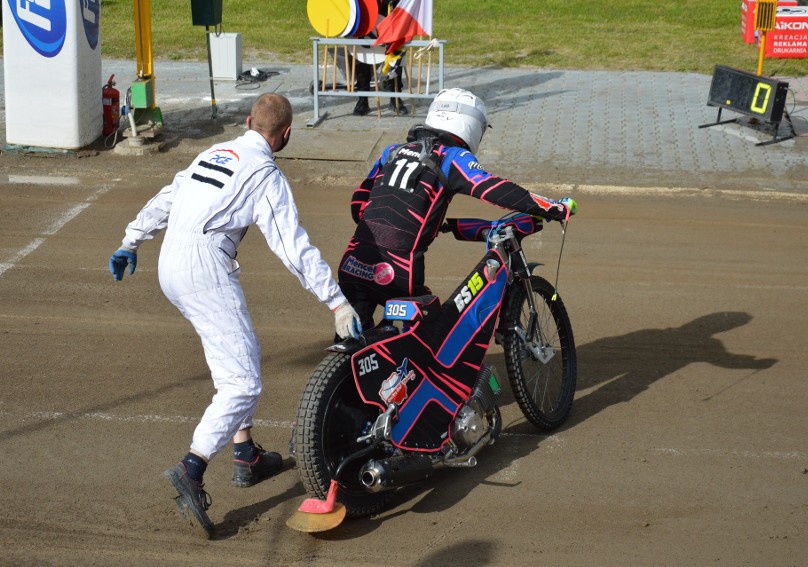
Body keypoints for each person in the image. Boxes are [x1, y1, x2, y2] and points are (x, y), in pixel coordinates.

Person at [107, 93, 361, 539]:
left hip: (171, 265)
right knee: (242, 381)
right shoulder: (266, 174)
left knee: (236, 355)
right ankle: (192, 467)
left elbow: (170, 194)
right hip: (205, 268)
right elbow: (292, 247)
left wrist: (131, 240)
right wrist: (336, 302)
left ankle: (245, 455)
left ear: (246, 121)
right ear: (286, 134)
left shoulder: (214, 152)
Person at [337, 87, 577, 331]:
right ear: (472, 126)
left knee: (355, 338)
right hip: (398, 271)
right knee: (436, 334)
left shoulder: (391, 151)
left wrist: (416, 220)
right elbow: (492, 189)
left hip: (352, 263)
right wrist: (552, 207)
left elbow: (358, 207)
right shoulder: (452, 157)